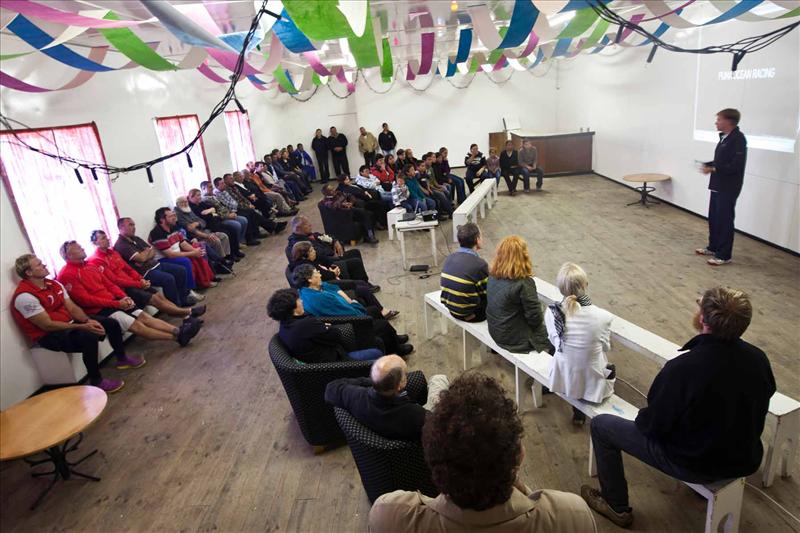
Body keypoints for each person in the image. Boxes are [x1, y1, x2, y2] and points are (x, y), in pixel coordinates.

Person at [582, 287, 775, 528]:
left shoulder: (683, 368)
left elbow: (653, 426)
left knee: (602, 426)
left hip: (693, 463)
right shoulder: (758, 359)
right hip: (743, 458)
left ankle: (615, 504)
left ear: (703, 320)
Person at [368, 373, 597, 532]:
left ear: (430, 457)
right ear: (520, 455)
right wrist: (520, 487)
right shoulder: (569, 517)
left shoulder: (390, 515)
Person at [11, 254, 130, 393]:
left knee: (111, 323)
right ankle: (96, 380)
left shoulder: (53, 284)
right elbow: (47, 325)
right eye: (39, 264)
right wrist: (82, 326)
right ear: (29, 273)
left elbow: (72, 308)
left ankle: (122, 359)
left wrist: (87, 320)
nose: (44, 265)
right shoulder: (24, 297)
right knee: (88, 336)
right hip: (48, 335)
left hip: (69, 323)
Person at [58, 241, 200, 347]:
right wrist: (117, 302)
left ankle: (178, 330)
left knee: (145, 317)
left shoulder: (90, 265)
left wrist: (123, 297)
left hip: (118, 299)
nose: (82, 248)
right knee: (138, 326)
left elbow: (109, 284)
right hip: (103, 309)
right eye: (78, 248)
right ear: (69, 255)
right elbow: (86, 300)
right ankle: (177, 337)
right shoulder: (67, 274)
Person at [544, 263, 614, 425]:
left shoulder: (551, 312)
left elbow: (554, 341)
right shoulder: (604, 316)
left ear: (560, 288)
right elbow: (605, 347)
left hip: (562, 376)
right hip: (592, 383)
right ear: (585, 286)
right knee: (600, 359)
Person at [293, 264, 413, 356]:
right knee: (381, 325)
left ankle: (394, 339)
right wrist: (354, 304)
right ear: (309, 279)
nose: (320, 274)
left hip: (346, 314)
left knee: (374, 310)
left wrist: (348, 300)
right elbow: (353, 313)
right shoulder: (320, 298)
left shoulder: (308, 289)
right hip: (348, 325)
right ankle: (396, 350)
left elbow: (332, 286)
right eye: (316, 273)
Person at [88, 229, 206, 321]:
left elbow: (128, 268)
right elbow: (115, 280)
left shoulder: (113, 252)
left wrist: (140, 279)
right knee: (156, 296)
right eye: (103, 238)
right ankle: (187, 312)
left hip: (136, 280)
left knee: (160, 296)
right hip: (126, 288)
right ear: (94, 242)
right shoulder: (97, 260)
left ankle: (184, 313)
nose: (107, 239)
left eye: (106, 237)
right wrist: (138, 283)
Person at [325, 355, 450, 441]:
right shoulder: (414, 414)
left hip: (382, 427)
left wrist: (376, 380)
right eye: (405, 375)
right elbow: (440, 431)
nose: (407, 376)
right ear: (400, 385)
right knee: (439, 379)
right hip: (417, 442)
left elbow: (330, 388)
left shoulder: (356, 396)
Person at [267, 288, 382, 363]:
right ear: (292, 308)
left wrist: (325, 327)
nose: (301, 301)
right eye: (298, 300)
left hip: (319, 363)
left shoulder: (284, 327)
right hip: (336, 363)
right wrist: (327, 327)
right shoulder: (306, 325)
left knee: (376, 342)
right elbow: (336, 335)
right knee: (377, 352)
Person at [288, 241, 397, 319]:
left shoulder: (312, 259)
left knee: (362, 284)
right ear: (304, 255)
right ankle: (381, 311)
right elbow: (324, 276)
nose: (314, 251)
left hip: (329, 282)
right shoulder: (304, 267)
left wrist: (333, 266)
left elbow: (325, 260)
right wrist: (332, 273)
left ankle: (378, 309)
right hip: (329, 281)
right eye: (311, 250)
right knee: (363, 288)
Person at [696, 108, 747, 266]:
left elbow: (735, 166)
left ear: (728, 121)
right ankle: (714, 247)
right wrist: (709, 164)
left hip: (728, 187)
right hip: (717, 185)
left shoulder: (738, 139)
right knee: (714, 218)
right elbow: (721, 161)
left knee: (725, 220)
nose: (716, 122)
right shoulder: (724, 138)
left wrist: (713, 169)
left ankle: (724, 255)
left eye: (719, 119)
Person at [486, 236, 552, 353]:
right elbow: (535, 318)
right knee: (555, 337)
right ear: (523, 256)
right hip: (513, 339)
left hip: (495, 330)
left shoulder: (492, 276)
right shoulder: (524, 284)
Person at [115, 217, 200, 306]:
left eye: (134, 224)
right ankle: (176, 305)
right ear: (121, 227)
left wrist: (145, 254)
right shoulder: (121, 244)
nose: (134, 227)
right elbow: (141, 258)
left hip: (155, 264)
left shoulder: (135, 238)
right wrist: (146, 252)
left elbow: (152, 252)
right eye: (130, 225)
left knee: (181, 270)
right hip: (144, 272)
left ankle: (184, 299)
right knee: (168, 278)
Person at [285, 215, 373, 284]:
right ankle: (362, 284)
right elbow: (317, 256)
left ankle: (361, 281)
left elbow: (326, 236)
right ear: (298, 228)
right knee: (355, 262)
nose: (310, 225)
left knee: (355, 252)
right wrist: (333, 256)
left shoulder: (311, 235)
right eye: (306, 224)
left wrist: (335, 241)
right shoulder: (299, 244)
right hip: (325, 264)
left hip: (331, 257)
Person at [149, 207, 217, 290]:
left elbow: (183, 243)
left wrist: (194, 251)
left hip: (176, 253)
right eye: (171, 216)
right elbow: (170, 255)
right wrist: (192, 253)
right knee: (185, 260)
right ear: (162, 220)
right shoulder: (157, 233)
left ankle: (205, 281)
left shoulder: (173, 227)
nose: (174, 218)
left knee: (199, 250)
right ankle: (189, 290)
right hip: (164, 259)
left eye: (174, 215)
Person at [440, 223, 489, 322]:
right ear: (477, 240)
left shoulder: (450, 258)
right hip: (473, 314)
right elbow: (486, 293)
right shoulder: (480, 265)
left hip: (452, 310)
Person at [175, 195, 234, 270]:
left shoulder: (188, 210)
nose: (185, 203)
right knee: (215, 240)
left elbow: (203, 222)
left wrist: (197, 223)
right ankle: (221, 264)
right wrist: (207, 235)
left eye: (186, 201)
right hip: (196, 237)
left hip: (204, 232)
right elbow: (191, 229)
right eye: (182, 202)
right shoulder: (178, 215)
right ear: (177, 204)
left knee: (223, 236)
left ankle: (225, 258)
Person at [187, 188, 245, 260]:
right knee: (227, 233)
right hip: (209, 226)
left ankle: (236, 251)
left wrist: (209, 210)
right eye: (198, 195)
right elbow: (202, 215)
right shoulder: (191, 207)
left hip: (215, 222)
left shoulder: (200, 203)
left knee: (232, 230)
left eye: (200, 195)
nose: (200, 197)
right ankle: (230, 256)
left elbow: (213, 208)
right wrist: (210, 211)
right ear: (191, 197)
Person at [200, 182, 256, 247]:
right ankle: (236, 244)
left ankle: (240, 240)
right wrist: (227, 216)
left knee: (244, 220)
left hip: (228, 213)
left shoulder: (213, 196)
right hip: (222, 218)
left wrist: (230, 212)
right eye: (209, 187)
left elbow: (223, 206)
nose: (212, 188)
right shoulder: (205, 200)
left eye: (212, 186)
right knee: (237, 225)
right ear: (203, 189)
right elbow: (216, 213)